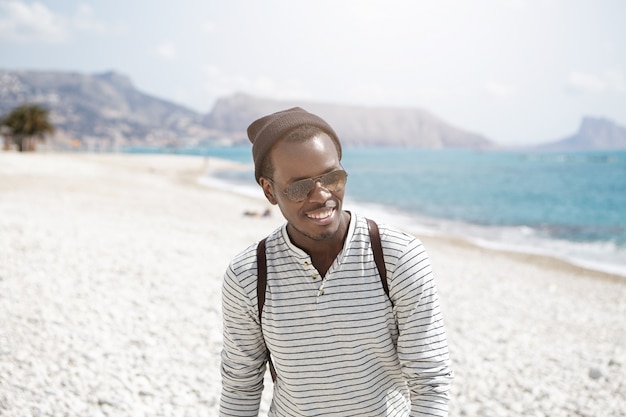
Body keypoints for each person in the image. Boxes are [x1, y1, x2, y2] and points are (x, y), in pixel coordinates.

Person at [220, 107, 453, 416]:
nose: (321, 195)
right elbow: (240, 384)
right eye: (300, 186)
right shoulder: (247, 276)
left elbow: (430, 384)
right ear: (269, 190)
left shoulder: (398, 257)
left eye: (332, 177)